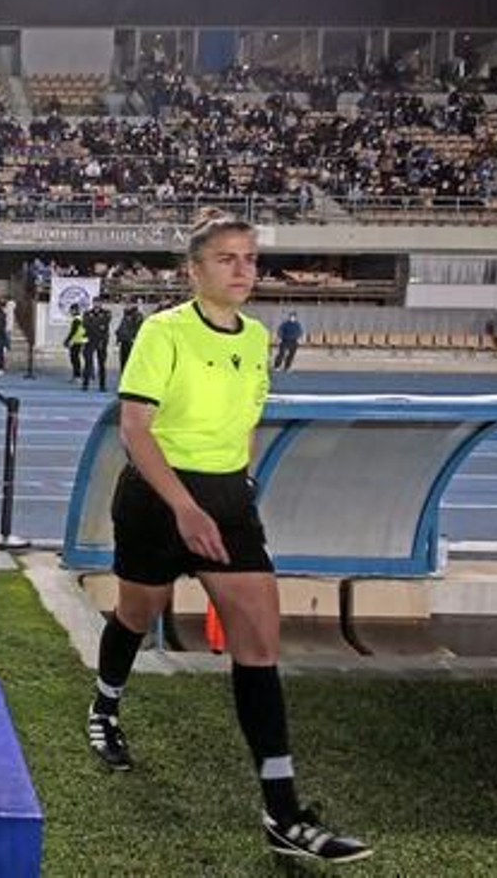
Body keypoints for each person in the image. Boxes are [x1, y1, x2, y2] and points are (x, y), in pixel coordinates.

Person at [86, 209, 372, 863]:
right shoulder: (164, 333)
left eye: (250, 259)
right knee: (138, 610)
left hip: (227, 504)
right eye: (227, 259)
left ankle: (282, 811)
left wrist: (238, 487)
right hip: (159, 499)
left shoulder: (255, 337)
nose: (243, 270)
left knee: (259, 643)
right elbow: (135, 428)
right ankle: (104, 707)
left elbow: (246, 422)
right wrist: (185, 509)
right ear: (194, 270)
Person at [82, 298, 113, 391]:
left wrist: (93, 323)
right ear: (93, 303)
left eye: (98, 302)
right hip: (90, 340)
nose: (97, 304)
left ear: (101, 303)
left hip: (101, 340)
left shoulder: (107, 313)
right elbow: (85, 324)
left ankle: (102, 385)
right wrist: (98, 325)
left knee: (102, 364)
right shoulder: (87, 313)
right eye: (95, 302)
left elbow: (105, 322)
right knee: (88, 362)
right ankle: (85, 384)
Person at [114, 298, 144, 373]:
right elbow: (120, 329)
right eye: (126, 304)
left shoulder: (137, 315)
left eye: (129, 304)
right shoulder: (125, 314)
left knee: (131, 363)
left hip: (132, 342)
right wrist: (117, 341)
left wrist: (134, 338)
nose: (127, 306)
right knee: (123, 362)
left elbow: (139, 328)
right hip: (124, 341)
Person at [64, 303, 88, 383]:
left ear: (75, 310)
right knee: (74, 358)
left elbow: (73, 331)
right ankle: (76, 375)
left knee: (75, 359)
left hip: (78, 341)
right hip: (78, 340)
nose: (70, 312)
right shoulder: (78, 318)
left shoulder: (77, 319)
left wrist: (67, 340)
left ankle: (77, 376)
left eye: (72, 310)